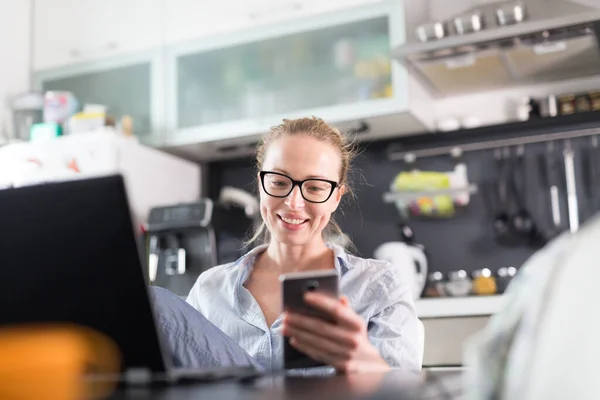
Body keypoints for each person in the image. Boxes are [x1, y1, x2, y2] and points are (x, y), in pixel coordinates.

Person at [150, 117, 422, 375]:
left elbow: (405, 393)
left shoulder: (379, 286)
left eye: (315, 187)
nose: (293, 202)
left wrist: (365, 362)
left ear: (336, 197)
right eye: (279, 182)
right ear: (261, 184)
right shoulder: (210, 289)